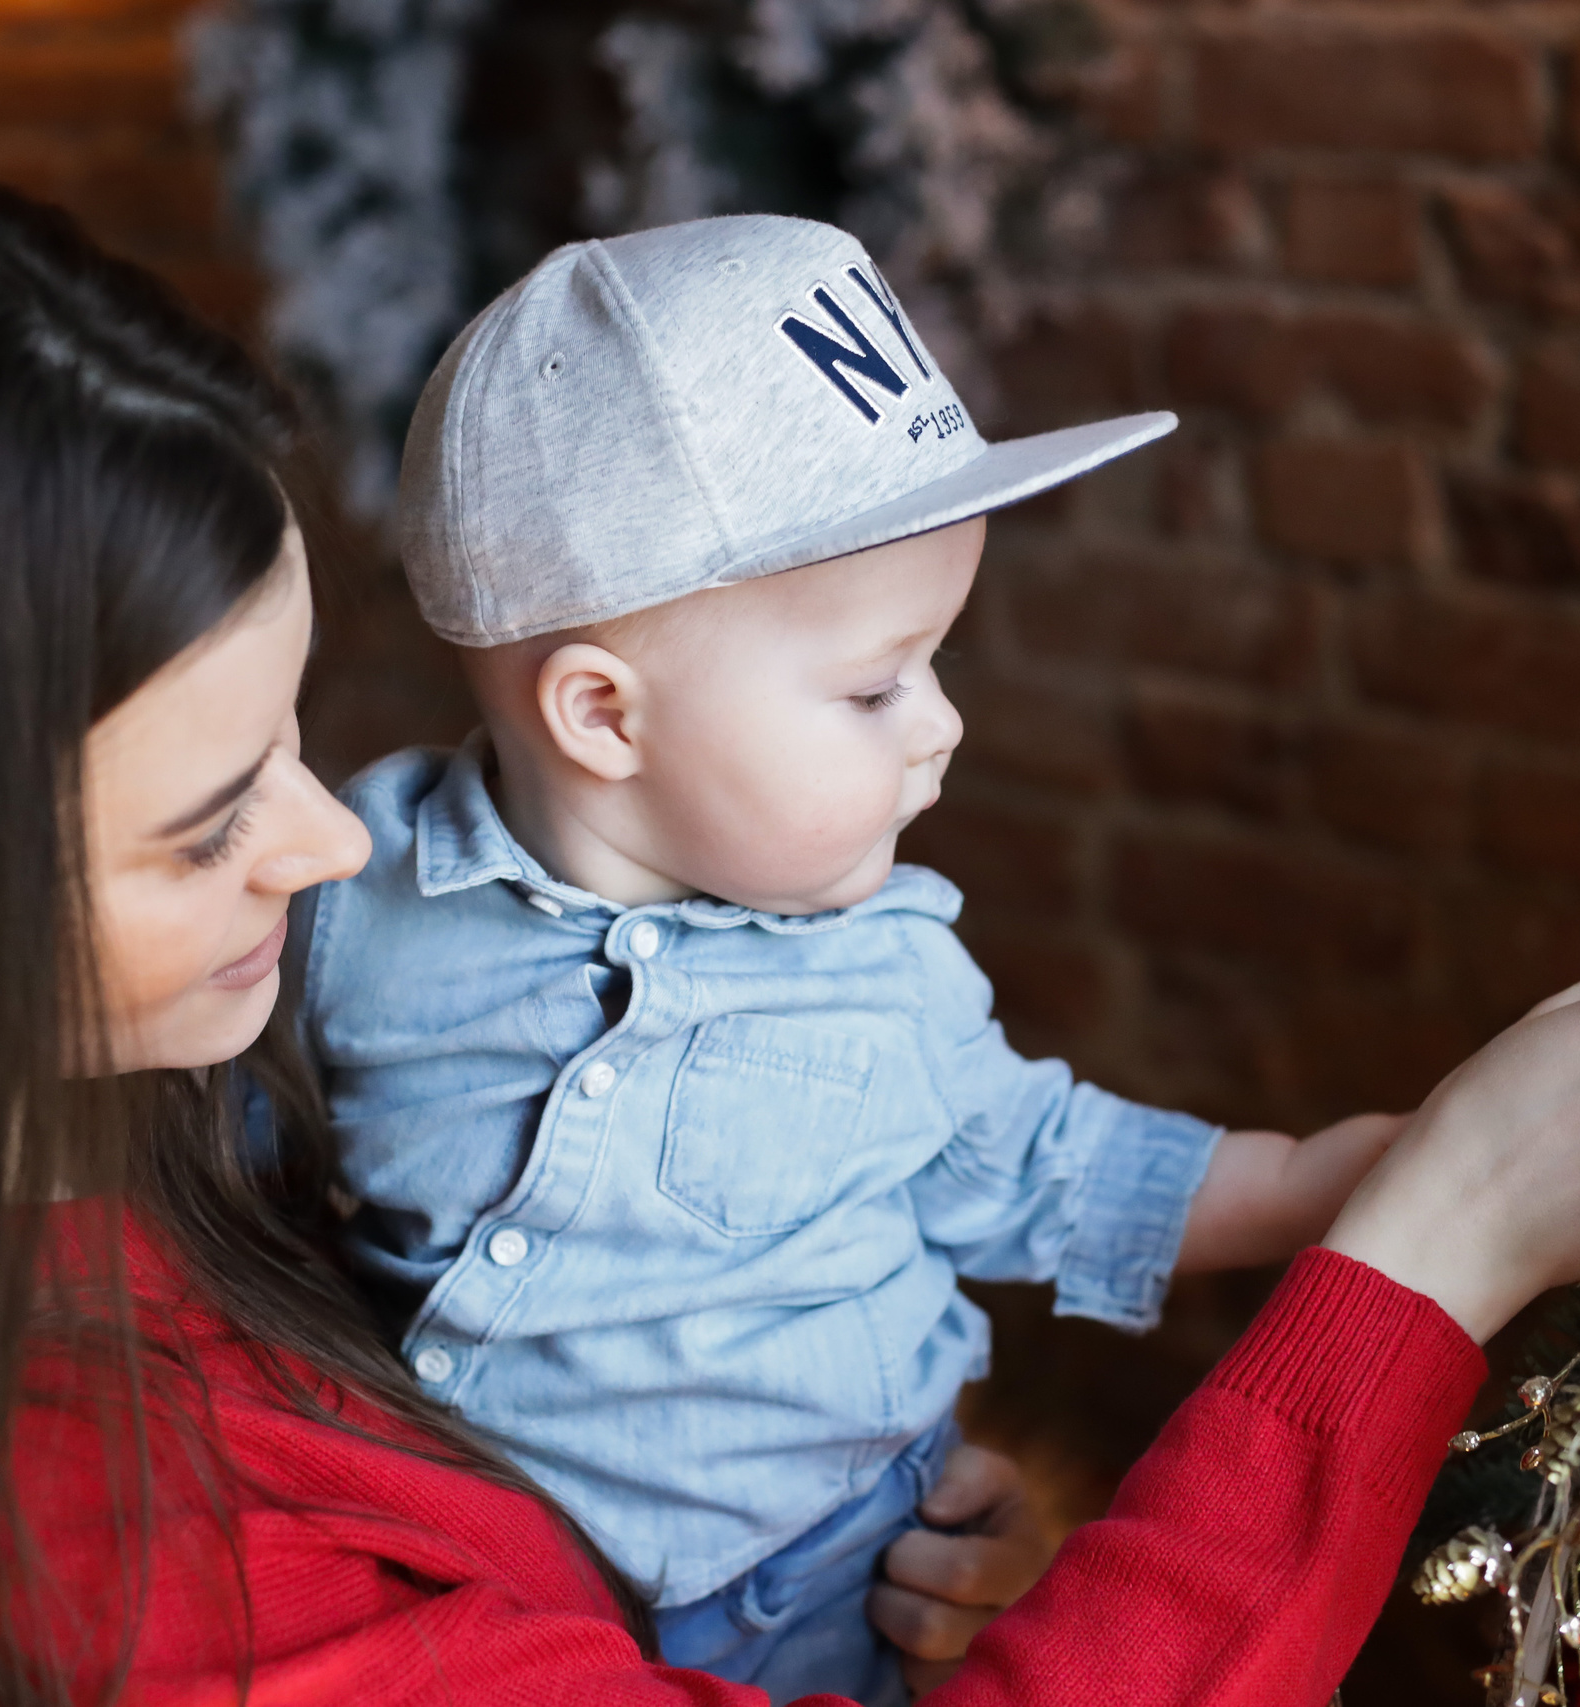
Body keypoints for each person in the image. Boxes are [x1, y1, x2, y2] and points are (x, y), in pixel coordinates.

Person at [0, 177, 1580, 1707]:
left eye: (300, 732)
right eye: (200, 824)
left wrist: (859, 1521)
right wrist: (1426, 1252)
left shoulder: (142, 1160)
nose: (324, 844)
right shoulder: (109, 1563)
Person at [292, 214, 1401, 1701]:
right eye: (878, 685)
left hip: (829, 1602)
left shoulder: (891, 980)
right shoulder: (341, 895)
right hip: (481, 1613)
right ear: (605, 719)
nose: (941, 724)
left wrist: (1345, 1182)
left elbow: (1057, 1167)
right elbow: (240, 1192)